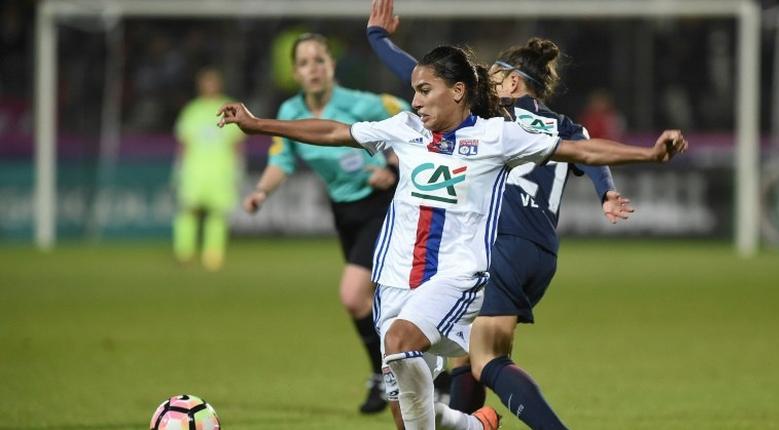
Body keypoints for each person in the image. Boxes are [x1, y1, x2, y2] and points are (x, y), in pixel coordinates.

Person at [216, 44, 687, 430]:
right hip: (395, 280)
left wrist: (649, 155)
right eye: (413, 92)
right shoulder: (404, 130)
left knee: (403, 343)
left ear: (459, 92)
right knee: (408, 410)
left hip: (457, 278)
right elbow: (335, 131)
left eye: (424, 91)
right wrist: (257, 123)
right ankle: (472, 426)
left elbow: (579, 147)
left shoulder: (496, 138)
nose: (415, 101)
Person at [366, 1, 634, 429]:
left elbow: (418, 75)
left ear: (511, 82)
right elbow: (590, 155)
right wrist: (608, 193)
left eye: (489, 78)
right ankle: (476, 422)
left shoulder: (494, 116)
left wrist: (379, 39)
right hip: (541, 250)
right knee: (470, 351)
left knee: (486, 357)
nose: (479, 85)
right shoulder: (566, 125)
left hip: (498, 242)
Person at [242, 32, 411, 414]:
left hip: (382, 205)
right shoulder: (289, 113)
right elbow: (281, 159)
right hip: (345, 212)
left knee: (354, 295)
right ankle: (403, 375)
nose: (313, 68)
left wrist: (391, 165)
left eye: (320, 59)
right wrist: (261, 193)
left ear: (332, 65)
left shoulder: (362, 103)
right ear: (295, 72)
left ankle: (395, 377)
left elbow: (414, 125)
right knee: (373, 302)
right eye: (304, 63)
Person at [173, 67, 245, 271]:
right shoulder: (192, 110)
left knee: (218, 214)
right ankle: (184, 252)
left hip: (221, 172)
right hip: (195, 171)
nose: (210, 86)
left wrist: (239, 168)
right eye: (206, 82)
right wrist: (178, 168)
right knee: (188, 211)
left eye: (213, 81)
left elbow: (237, 143)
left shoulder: (230, 108)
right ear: (200, 85)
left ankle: (213, 254)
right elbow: (183, 143)